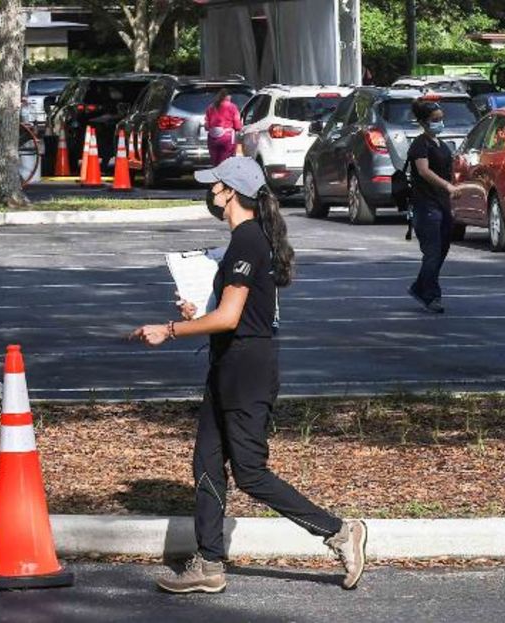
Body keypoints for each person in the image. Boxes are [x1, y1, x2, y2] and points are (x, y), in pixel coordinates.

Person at [132, 157, 367, 594]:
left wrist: (170, 329)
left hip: (248, 369)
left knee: (250, 473)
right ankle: (209, 563)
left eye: (214, 186)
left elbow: (230, 317)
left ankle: (338, 531)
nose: (210, 194)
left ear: (229, 193)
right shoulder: (244, 240)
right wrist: (197, 312)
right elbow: (229, 314)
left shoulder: (248, 241)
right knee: (205, 462)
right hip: (228, 363)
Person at [406, 98, 458, 314]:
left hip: (443, 203)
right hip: (426, 205)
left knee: (442, 249)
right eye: (435, 120)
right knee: (432, 252)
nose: (440, 123)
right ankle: (431, 295)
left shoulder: (440, 144)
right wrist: (447, 186)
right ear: (424, 122)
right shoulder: (420, 144)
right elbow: (424, 171)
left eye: (441, 119)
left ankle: (420, 287)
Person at [204, 89, 242, 166]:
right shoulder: (232, 107)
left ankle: (216, 176)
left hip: (212, 138)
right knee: (225, 161)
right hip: (226, 137)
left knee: (215, 162)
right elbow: (237, 125)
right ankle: (223, 177)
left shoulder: (211, 107)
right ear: (228, 96)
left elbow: (206, 126)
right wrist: (239, 128)